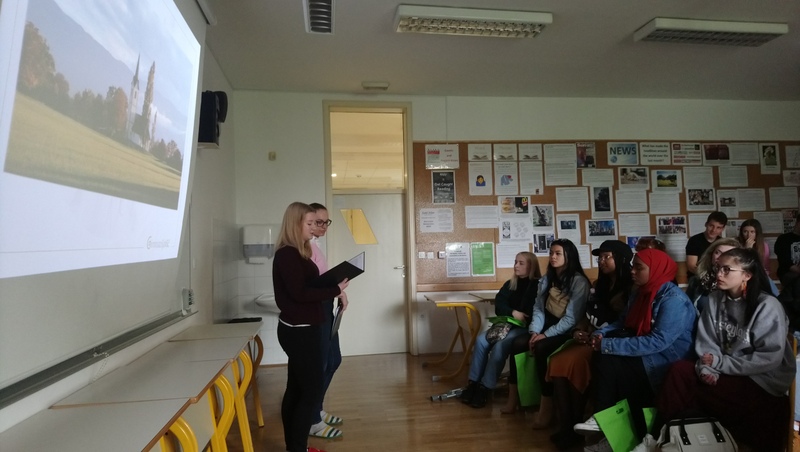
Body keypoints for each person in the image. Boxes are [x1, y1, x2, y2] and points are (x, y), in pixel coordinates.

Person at [657, 248, 795, 452]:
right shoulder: (715, 299)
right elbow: (707, 341)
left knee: (693, 392)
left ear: (747, 275)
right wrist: (707, 368)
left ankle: (691, 438)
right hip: (724, 369)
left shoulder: (767, 305)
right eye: (717, 268)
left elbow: (768, 358)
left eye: (727, 269)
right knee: (678, 371)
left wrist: (719, 364)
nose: (719, 274)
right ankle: (667, 436)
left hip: (761, 378)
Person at [574, 249, 696, 449]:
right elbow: (623, 322)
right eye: (633, 266)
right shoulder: (640, 292)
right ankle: (611, 431)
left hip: (665, 358)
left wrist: (608, 344)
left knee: (610, 361)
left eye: (639, 268)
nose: (632, 271)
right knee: (606, 358)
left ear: (655, 270)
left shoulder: (673, 300)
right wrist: (601, 334)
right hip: (647, 350)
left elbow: (658, 342)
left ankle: (604, 421)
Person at [272, 202, 349, 452]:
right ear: (295, 224)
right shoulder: (287, 254)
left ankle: (296, 447)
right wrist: (335, 289)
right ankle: (298, 447)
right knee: (310, 392)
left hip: (305, 328)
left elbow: (307, 287)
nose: (314, 228)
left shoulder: (299, 251)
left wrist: (333, 288)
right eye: (309, 223)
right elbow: (300, 293)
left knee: (297, 390)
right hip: (299, 332)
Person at [546, 240, 633, 450]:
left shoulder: (631, 287)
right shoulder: (599, 285)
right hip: (589, 338)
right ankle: (568, 425)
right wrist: (578, 331)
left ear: (621, 259)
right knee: (557, 362)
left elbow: (625, 323)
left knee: (575, 364)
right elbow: (587, 314)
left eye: (606, 257)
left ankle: (575, 426)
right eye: (599, 257)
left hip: (610, 342)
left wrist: (599, 336)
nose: (601, 261)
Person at [510, 239, 590, 429]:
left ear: (569, 256)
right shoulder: (546, 279)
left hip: (568, 329)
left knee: (541, 346)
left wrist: (545, 335)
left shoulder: (579, 281)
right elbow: (538, 309)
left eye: (558, 253)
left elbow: (571, 318)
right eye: (551, 253)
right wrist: (535, 331)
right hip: (545, 326)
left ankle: (547, 403)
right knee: (518, 343)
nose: (553, 257)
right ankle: (517, 398)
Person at [460, 252, 541, 410]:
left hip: (524, 328)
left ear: (531, 266)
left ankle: (486, 387)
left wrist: (521, 316)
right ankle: (473, 383)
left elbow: (536, 311)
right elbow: (499, 304)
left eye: (521, 263)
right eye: (515, 262)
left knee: (500, 346)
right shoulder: (510, 284)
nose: (516, 266)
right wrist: (512, 312)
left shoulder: (538, 285)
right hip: (506, 324)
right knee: (481, 340)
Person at [307, 203, 346, 439]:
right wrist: (334, 289)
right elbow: (308, 287)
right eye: (318, 222)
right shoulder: (302, 249)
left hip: (327, 307)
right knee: (320, 364)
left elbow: (323, 280)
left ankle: (317, 409)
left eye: (326, 222)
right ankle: (312, 420)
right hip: (316, 311)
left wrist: (339, 292)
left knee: (333, 360)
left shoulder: (316, 246)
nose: (323, 227)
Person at [686, 237, 740, 313]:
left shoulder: (739, 284)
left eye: (727, 254)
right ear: (711, 254)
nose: (720, 257)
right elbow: (686, 308)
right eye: (717, 252)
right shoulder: (696, 281)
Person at [685, 211, 727, 280]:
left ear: (722, 229)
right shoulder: (694, 240)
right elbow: (691, 266)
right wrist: (707, 277)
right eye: (711, 226)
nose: (714, 230)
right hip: (697, 277)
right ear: (706, 224)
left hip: (717, 277)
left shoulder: (722, 243)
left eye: (718, 227)